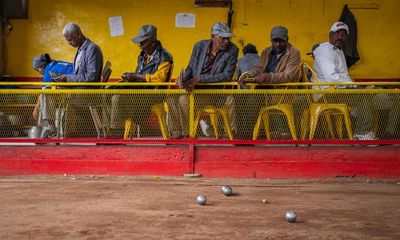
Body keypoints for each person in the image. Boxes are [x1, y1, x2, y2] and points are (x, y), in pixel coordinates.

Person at [312, 21, 398, 140]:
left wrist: (356, 86)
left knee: (394, 97)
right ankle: (362, 133)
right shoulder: (324, 50)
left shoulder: (339, 50)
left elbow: (344, 77)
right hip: (327, 93)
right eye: (337, 34)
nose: (340, 37)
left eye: (343, 35)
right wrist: (355, 87)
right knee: (363, 96)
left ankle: (390, 133)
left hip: (342, 90)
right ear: (330, 35)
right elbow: (332, 78)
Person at [167, 22, 238, 138]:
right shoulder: (199, 46)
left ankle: (189, 134)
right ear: (213, 37)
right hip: (197, 91)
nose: (226, 41)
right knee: (171, 99)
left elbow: (226, 76)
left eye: (228, 38)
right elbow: (190, 68)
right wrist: (183, 78)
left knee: (184, 100)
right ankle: (178, 134)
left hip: (215, 93)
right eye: (223, 38)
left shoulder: (232, 50)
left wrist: (200, 79)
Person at [109, 24, 173, 137]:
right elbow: (138, 74)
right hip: (140, 91)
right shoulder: (142, 56)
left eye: (142, 43)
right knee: (109, 93)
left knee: (117, 98)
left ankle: (117, 132)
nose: (140, 46)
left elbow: (160, 79)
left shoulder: (164, 57)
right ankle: (113, 129)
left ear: (152, 42)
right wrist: (129, 78)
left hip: (154, 94)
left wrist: (137, 76)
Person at [237, 26, 301, 138]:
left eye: (281, 41)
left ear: (287, 39)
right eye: (275, 41)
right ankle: (245, 134)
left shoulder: (294, 53)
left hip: (281, 93)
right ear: (271, 40)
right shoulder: (266, 51)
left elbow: (288, 76)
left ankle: (249, 135)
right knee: (238, 98)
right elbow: (259, 67)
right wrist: (247, 75)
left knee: (252, 101)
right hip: (265, 90)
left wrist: (268, 76)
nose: (278, 44)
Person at [32, 53, 73, 138]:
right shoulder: (55, 64)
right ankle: (45, 127)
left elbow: (43, 93)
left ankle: (50, 127)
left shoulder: (48, 71)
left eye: (37, 70)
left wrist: (36, 108)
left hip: (79, 88)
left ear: (42, 66)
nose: (39, 73)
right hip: (76, 85)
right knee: (47, 93)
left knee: (46, 94)